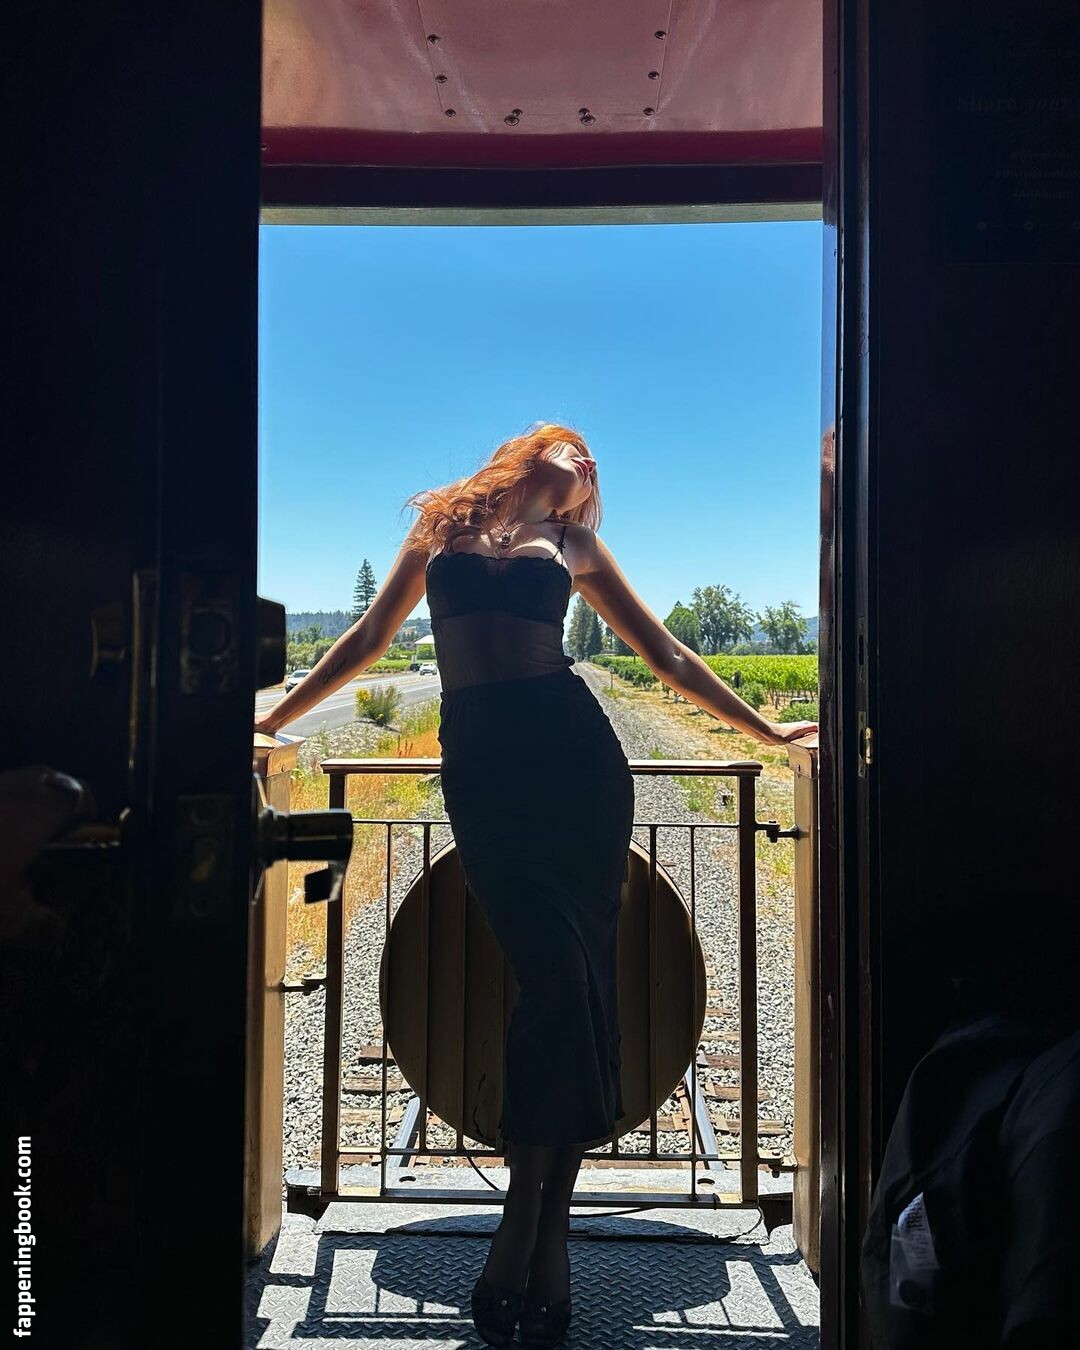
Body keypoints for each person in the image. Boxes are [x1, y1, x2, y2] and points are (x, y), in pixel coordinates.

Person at [255, 422, 816, 1347]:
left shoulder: (575, 545)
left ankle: (532, 1229)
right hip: (485, 768)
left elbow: (667, 655)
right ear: (535, 450)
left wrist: (766, 733)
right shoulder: (440, 529)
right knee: (560, 986)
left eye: (594, 466)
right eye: (576, 447)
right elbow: (367, 638)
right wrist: (277, 715)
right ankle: (541, 1229)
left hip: (575, 767)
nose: (589, 464)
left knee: (573, 989)